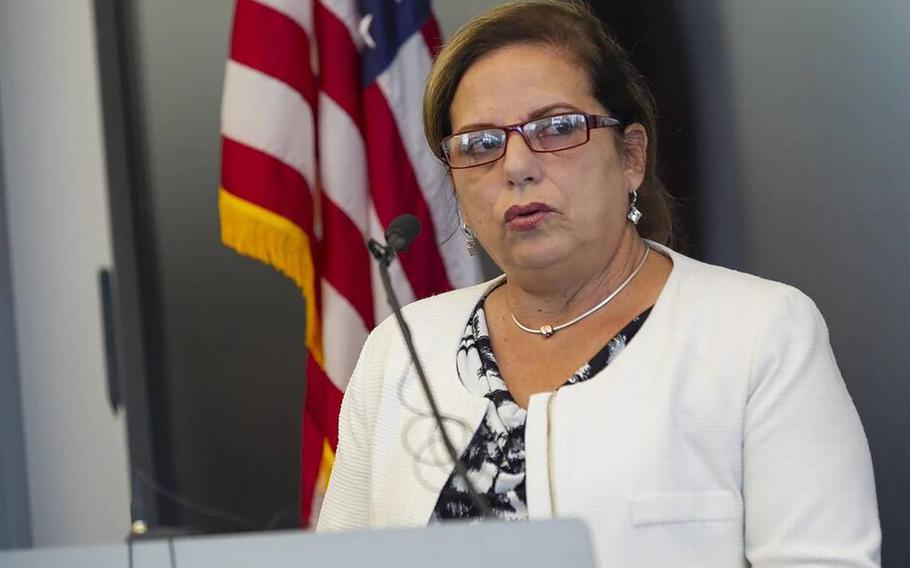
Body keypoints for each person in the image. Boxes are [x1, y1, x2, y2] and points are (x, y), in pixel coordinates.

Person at [317, 1, 881, 566]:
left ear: (631, 156)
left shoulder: (759, 333)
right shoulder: (400, 347)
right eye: (480, 144)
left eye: (557, 128)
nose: (515, 165)